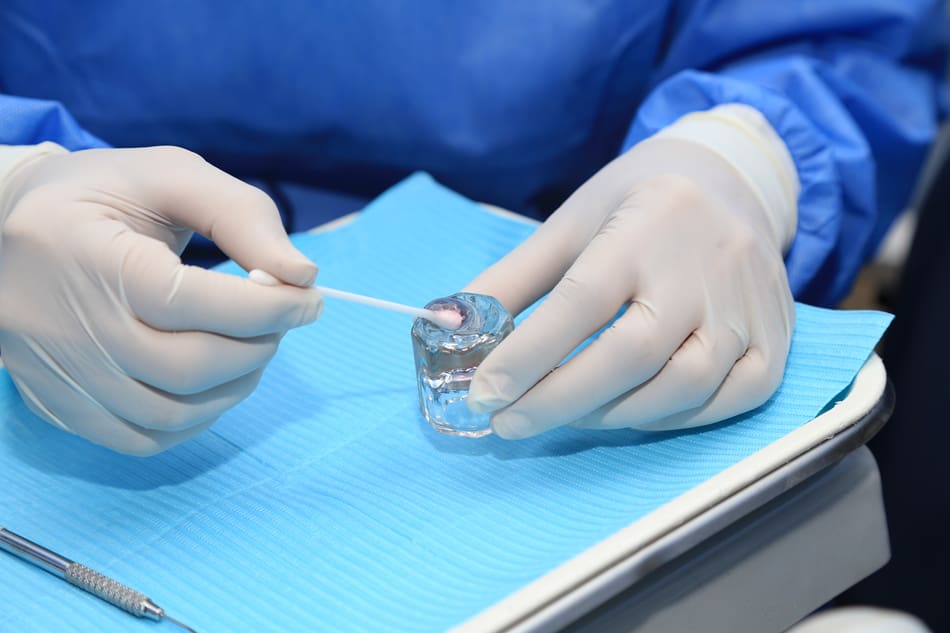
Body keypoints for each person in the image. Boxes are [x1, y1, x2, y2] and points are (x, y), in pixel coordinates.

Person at [0, 2, 945, 457]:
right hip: (68, 249)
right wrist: (16, 175)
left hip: (591, 234)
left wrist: (746, 150)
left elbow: (847, 28)